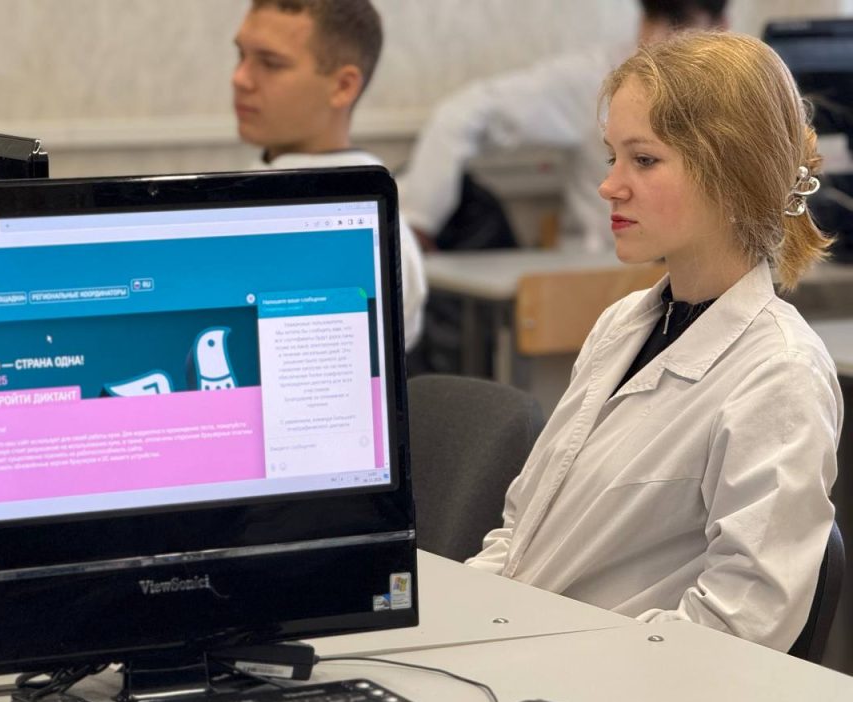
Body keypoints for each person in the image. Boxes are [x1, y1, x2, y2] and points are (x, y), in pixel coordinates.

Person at [466, 31, 843, 653]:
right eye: (612, 157)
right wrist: (460, 621)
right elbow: (519, 535)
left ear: (732, 173)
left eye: (643, 160)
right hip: (520, 654)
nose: (609, 186)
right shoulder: (622, 325)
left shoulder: (781, 373)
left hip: (620, 684)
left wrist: (550, 659)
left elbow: (739, 628)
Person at [398, 0, 727, 254]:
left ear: (722, 29)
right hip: (598, 277)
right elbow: (460, 116)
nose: (663, 40)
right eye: (658, 23)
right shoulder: (593, 80)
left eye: (681, 25)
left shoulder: (734, 91)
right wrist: (419, 221)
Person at [231, 0, 428, 350]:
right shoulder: (251, 185)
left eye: (270, 63)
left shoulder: (379, 234)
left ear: (343, 87)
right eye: (241, 55)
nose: (240, 78)